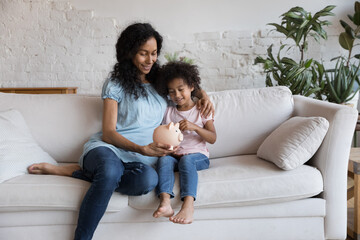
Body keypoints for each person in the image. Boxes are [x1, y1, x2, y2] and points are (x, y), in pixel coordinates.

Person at [27, 23, 214, 240]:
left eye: (154, 53)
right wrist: (142, 149)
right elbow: (108, 133)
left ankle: (78, 171)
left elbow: (185, 82)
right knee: (110, 172)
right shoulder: (115, 84)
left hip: (140, 160)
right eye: (143, 54)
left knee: (147, 182)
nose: (150, 60)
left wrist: (204, 95)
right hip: (108, 148)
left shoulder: (161, 81)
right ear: (129, 52)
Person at [152, 61, 217, 224]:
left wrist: (195, 127)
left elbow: (213, 138)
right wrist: (167, 147)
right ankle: (165, 202)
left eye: (181, 89)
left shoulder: (201, 109)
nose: (177, 95)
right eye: (172, 92)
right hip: (175, 155)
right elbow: (163, 135)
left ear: (192, 87)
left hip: (198, 156)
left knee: (187, 161)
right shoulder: (169, 111)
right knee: (164, 160)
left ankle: (188, 206)